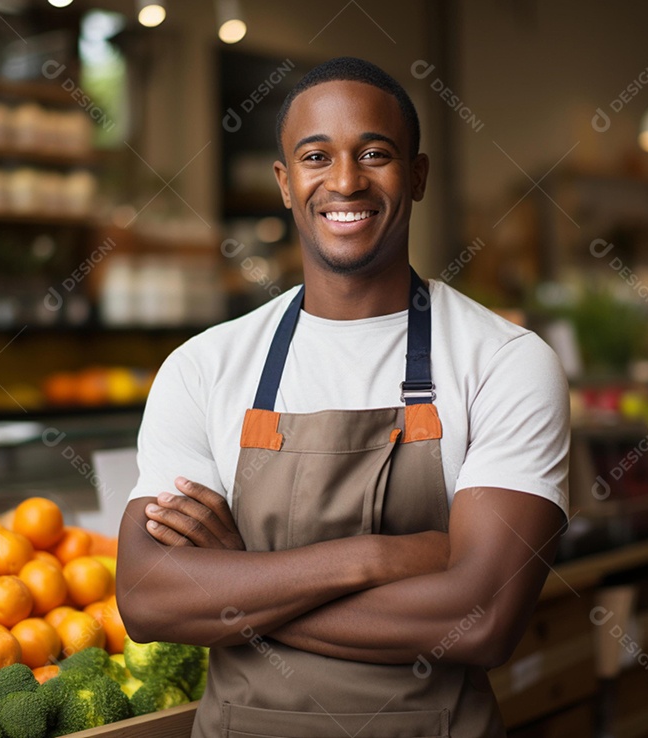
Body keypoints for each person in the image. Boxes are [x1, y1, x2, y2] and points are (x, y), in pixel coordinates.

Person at [117, 56, 570, 738]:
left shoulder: (506, 363)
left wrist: (237, 586)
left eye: (376, 154)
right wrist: (378, 557)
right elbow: (149, 599)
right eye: (315, 156)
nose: (346, 181)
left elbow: (479, 620)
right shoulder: (203, 367)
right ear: (285, 182)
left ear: (416, 176)